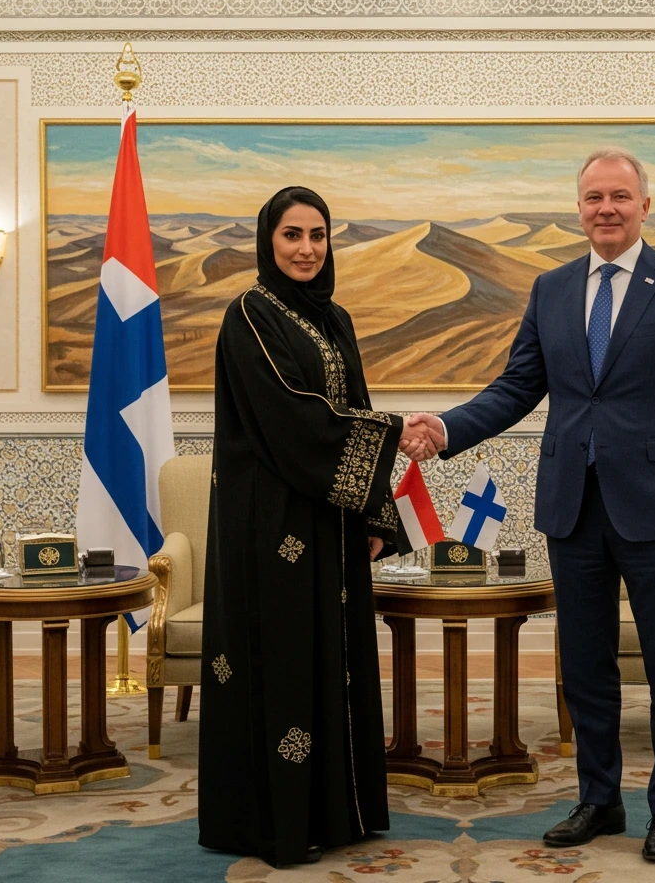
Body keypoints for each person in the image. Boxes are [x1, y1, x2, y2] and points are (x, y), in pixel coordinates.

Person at [403, 149, 655, 864]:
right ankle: (599, 798)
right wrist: (448, 426)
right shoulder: (551, 288)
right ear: (578, 208)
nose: (606, 208)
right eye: (593, 197)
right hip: (573, 508)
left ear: (645, 206)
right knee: (585, 668)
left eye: (620, 195)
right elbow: (516, 386)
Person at [198, 186, 419, 867]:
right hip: (272, 523)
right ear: (268, 240)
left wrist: (375, 511)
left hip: (333, 517)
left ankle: (337, 812)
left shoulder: (334, 318)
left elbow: (354, 402)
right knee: (285, 659)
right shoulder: (247, 317)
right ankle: (276, 823)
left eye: (318, 236)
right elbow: (290, 418)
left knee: (335, 658)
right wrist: (392, 433)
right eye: (292, 235)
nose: (305, 249)